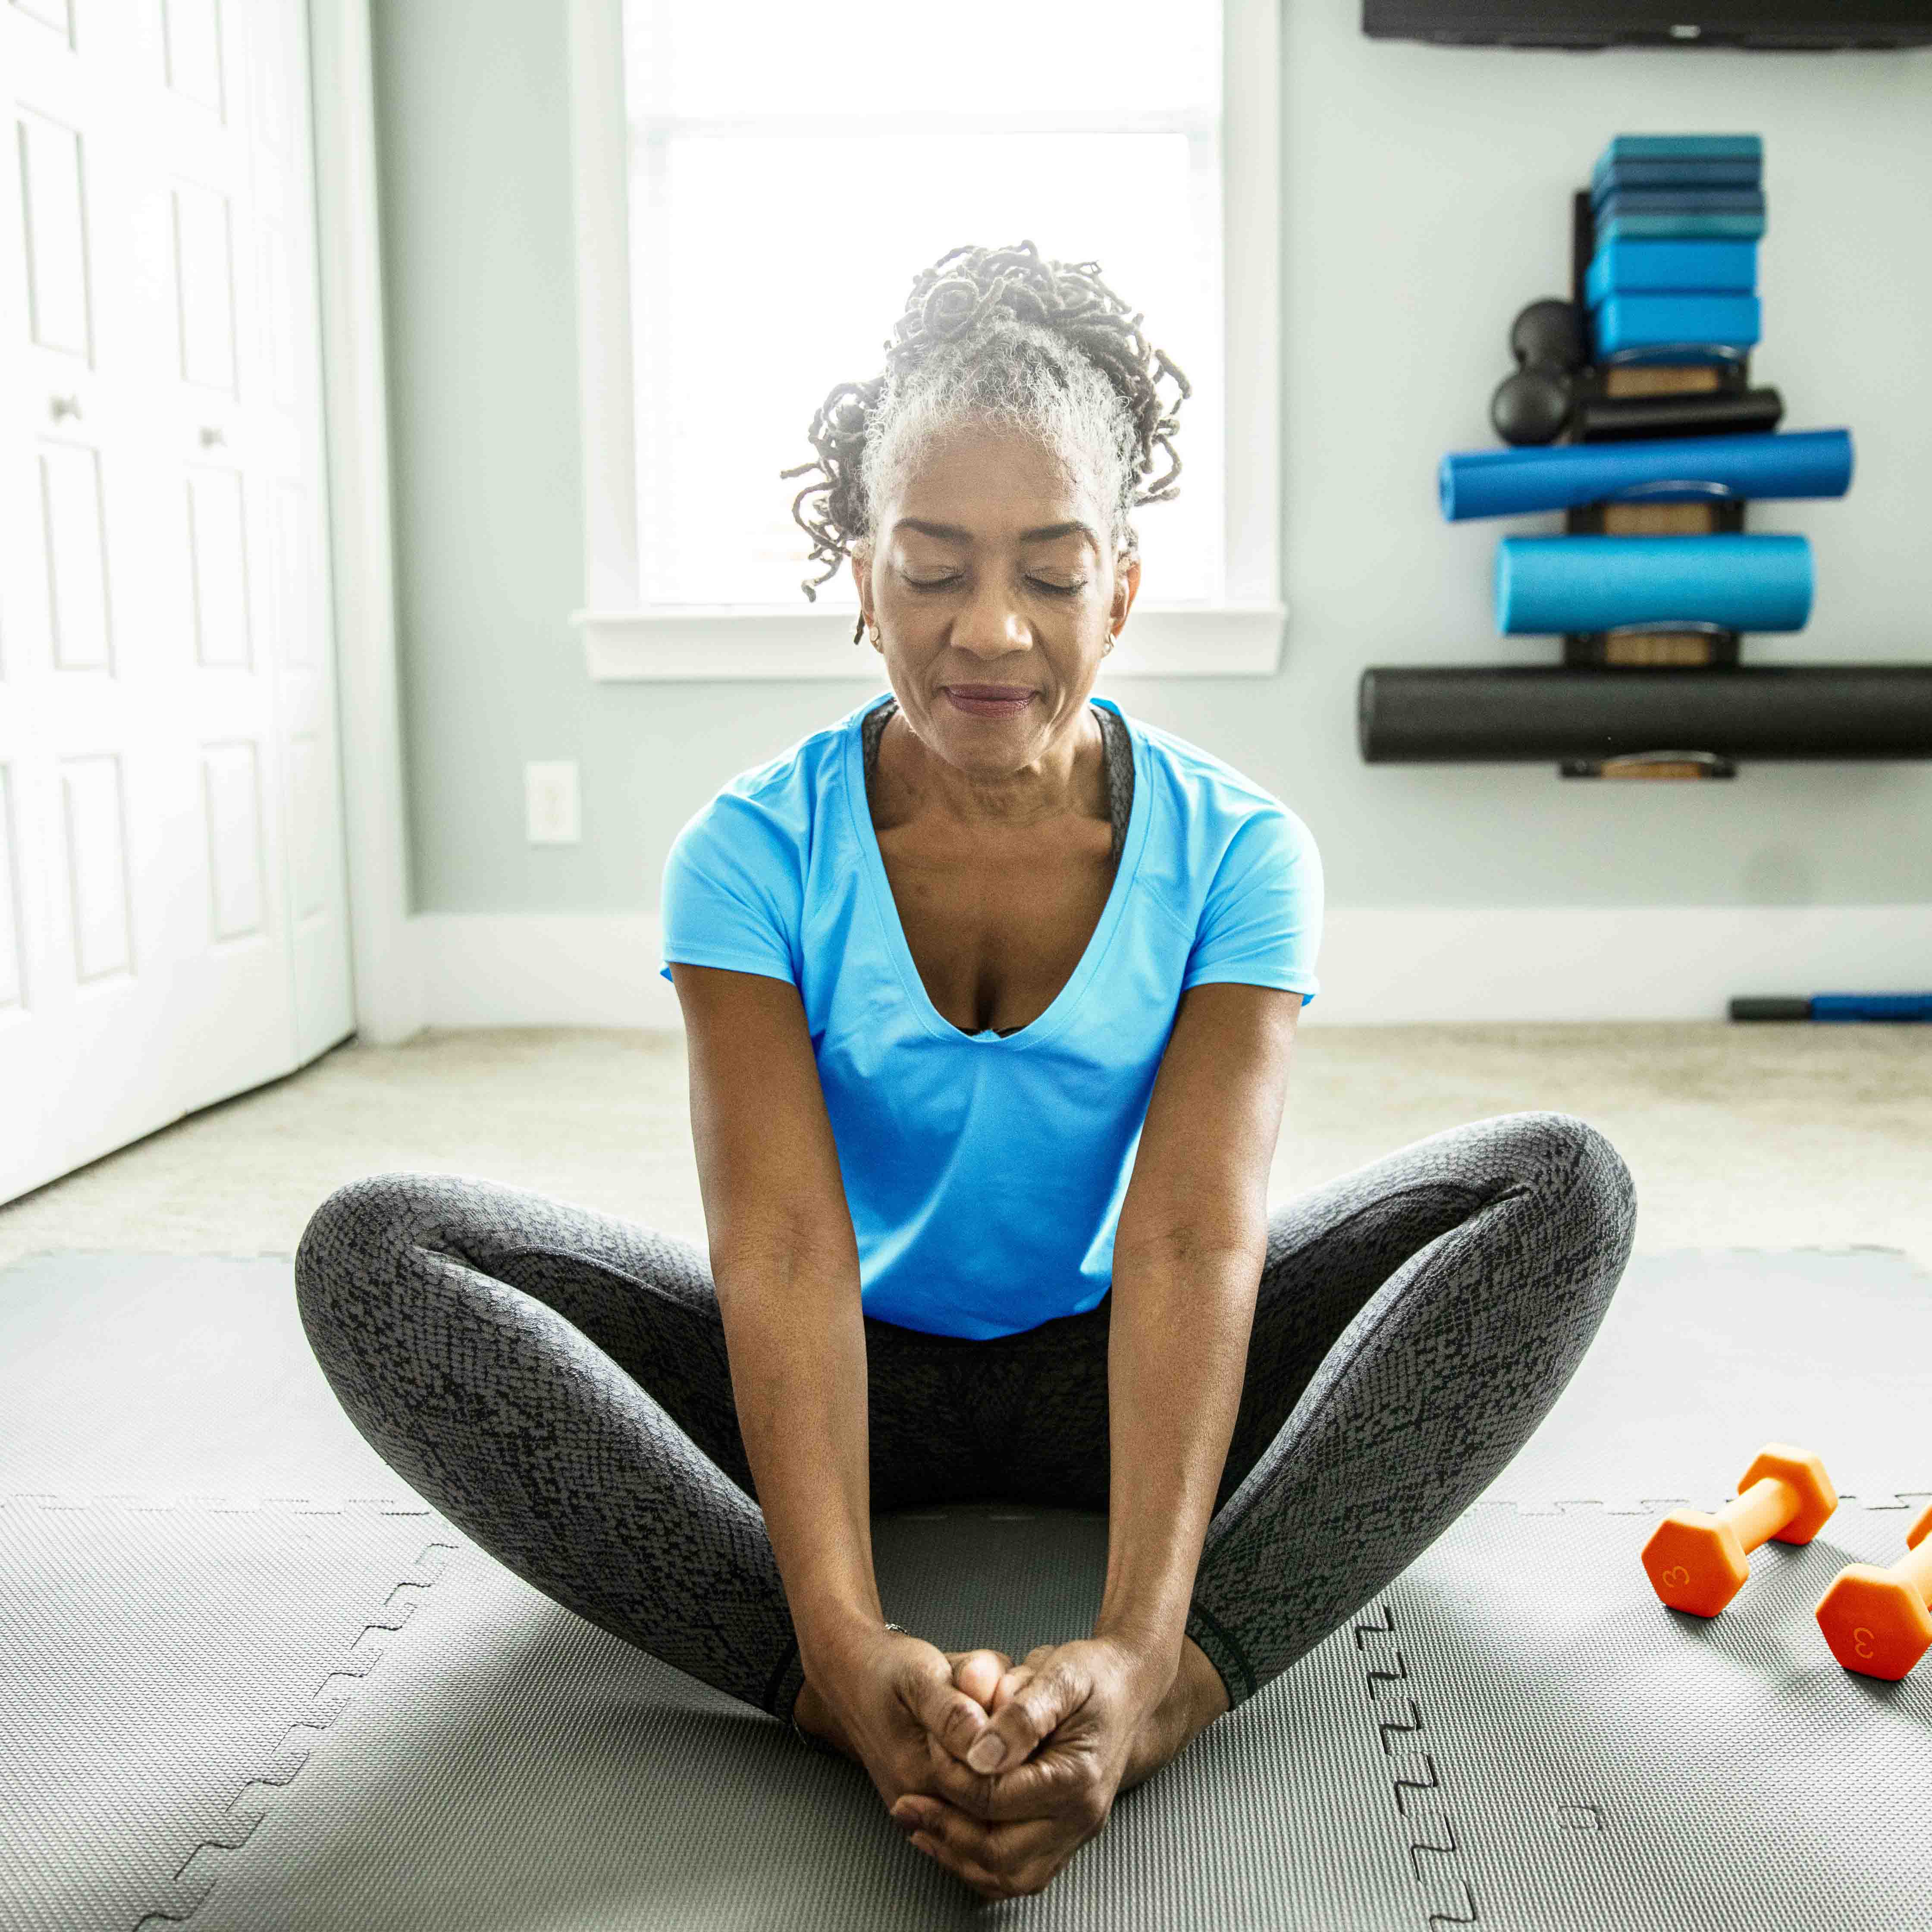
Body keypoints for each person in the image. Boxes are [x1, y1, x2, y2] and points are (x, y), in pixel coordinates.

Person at [295, 242, 1636, 1903]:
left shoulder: (1239, 853)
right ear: (859, 577)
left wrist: (1144, 1651)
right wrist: (850, 1643)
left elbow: (1196, 1242)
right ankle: (826, 1695)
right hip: (838, 1369)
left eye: (1051, 575)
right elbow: (780, 1252)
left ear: (1123, 592)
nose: (989, 628)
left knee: (1560, 1188)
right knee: (376, 1253)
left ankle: (1190, 1687)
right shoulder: (748, 852)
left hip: (1126, 1372)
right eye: (930, 570)